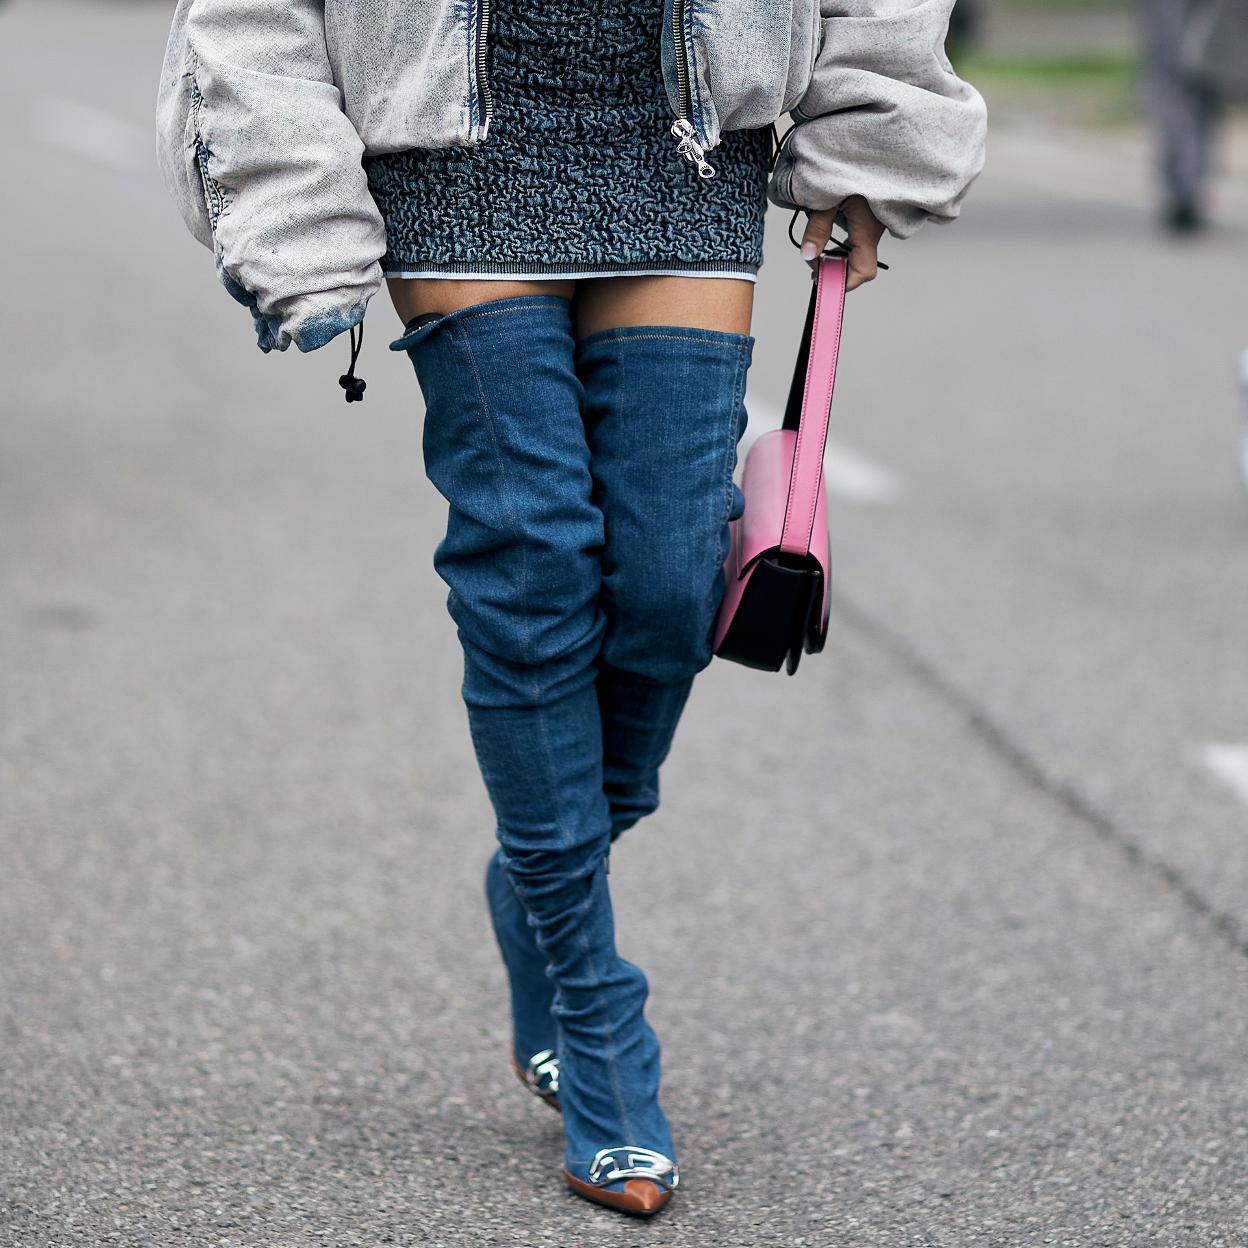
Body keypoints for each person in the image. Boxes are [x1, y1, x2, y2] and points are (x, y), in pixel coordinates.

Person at [156, 0, 986, 1218]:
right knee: (530, 558)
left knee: (666, 580)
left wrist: (870, 124)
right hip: (454, 146)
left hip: (683, 143)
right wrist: (293, 207)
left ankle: (543, 873)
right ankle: (599, 1024)